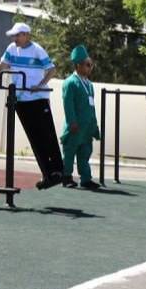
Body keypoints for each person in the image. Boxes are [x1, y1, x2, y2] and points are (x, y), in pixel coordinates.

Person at [0, 22, 64, 190]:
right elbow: (1, 66)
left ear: (26, 35)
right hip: (20, 99)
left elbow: (51, 70)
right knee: (34, 138)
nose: (14, 38)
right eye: (13, 35)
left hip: (38, 99)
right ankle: (47, 174)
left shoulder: (37, 49)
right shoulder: (11, 49)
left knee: (47, 135)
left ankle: (58, 171)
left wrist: (40, 85)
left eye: (17, 35)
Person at [60, 45, 102, 190]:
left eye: (91, 64)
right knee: (70, 152)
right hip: (75, 126)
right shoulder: (70, 82)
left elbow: (92, 107)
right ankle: (66, 177)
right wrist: (72, 122)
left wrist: (95, 126)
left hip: (87, 127)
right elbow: (68, 104)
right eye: (87, 65)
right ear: (78, 65)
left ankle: (86, 179)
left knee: (85, 153)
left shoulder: (89, 84)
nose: (90, 67)